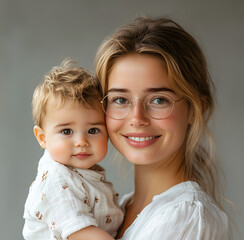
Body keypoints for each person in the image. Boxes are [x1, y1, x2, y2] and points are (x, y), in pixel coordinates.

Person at [95, 16, 230, 239]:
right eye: (120, 100)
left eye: (159, 100)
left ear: (195, 109)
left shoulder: (186, 217)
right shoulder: (119, 209)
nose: (137, 119)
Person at [22, 59, 124, 240]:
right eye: (66, 131)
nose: (81, 141)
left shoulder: (83, 174)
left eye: (93, 130)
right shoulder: (56, 178)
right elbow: (82, 234)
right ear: (43, 138)